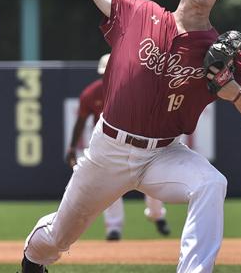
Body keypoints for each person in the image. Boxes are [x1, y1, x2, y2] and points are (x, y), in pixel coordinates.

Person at [22, 0, 241, 273]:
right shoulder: (140, 13)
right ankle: (34, 254)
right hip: (108, 149)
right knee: (61, 236)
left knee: (211, 183)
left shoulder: (221, 52)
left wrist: (234, 92)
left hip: (163, 155)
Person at [65, 53, 171, 241]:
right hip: (108, 146)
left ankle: (157, 215)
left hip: (138, 142)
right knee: (108, 185)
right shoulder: (92, 93)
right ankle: (114, 228)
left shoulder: (135, 89)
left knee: (153, 182)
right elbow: (81, 121)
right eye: (104, 73)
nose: (108, 76)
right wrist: (72, 148)